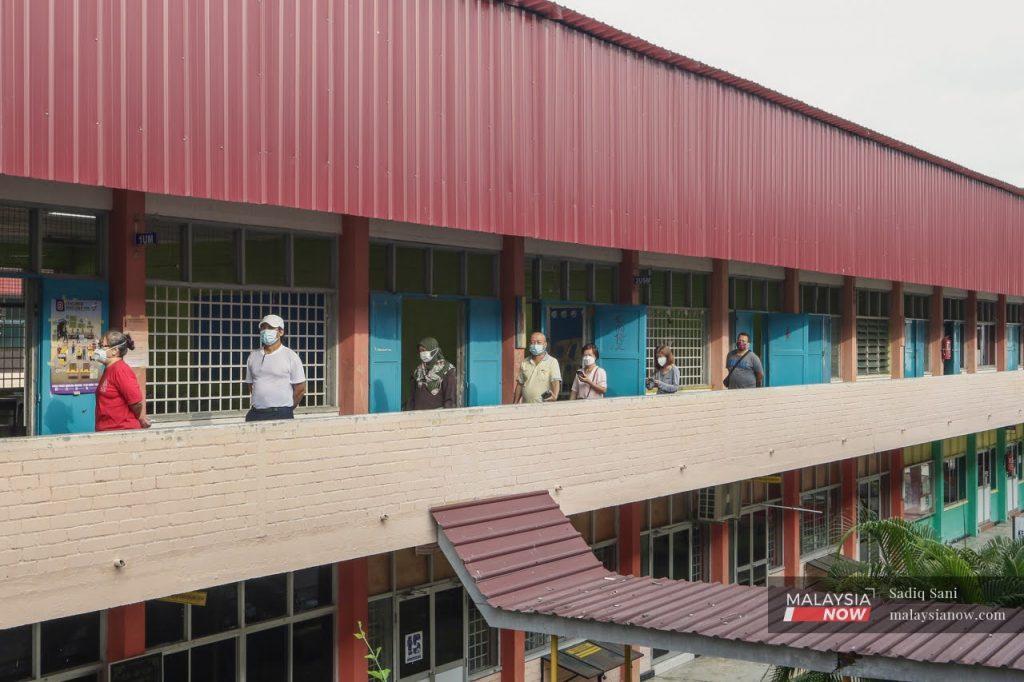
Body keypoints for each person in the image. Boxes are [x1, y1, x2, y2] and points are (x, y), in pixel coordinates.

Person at [244, 314, 307, 421]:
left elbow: (300, 389)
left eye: (270, 328)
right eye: (263, 328)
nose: (265, 331)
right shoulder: (253, 356)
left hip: (281, 413)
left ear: (281, 332)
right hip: (256, 412)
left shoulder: (290, 356)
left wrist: (287, 409)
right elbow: (251, 385)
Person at [94, 330, 150, 431]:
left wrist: (140, 418)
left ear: (115, 351)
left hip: (121, 431)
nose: (98, 349)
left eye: (102, 346)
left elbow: (136, 403)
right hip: (107, 431)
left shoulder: (121, 370)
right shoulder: (108, 369)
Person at [408, 337, 457, 410]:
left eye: (424, 350)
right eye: (420, 351)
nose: (422, 353)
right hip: (418, 414)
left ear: (434, 351)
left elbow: (450, 399)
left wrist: (446, 415)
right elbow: (412, 397)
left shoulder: (447, 370)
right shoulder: (418, 371)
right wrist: (409, 412)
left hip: (437, 415)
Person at [513, 331, 562, 404]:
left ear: (545, 344)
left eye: (539, 342)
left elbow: (555, 381)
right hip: (526, 405)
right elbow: (520, 384)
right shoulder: (525, 362)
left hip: (544, 405)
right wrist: (515, 403)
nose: (535, 345)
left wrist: (555, 396)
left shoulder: (552, 362)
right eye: (532, 342)